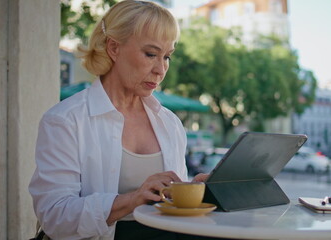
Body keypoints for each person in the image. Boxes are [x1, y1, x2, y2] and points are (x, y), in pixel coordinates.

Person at [29, 1, 208, 239]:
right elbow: (54, 216)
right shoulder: (65, 120)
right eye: (151, 54)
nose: (161, 69)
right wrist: (132, 199)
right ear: (114, 48)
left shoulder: (170, 123)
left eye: (167, 56)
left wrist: (195, 191)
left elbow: (170, 201)